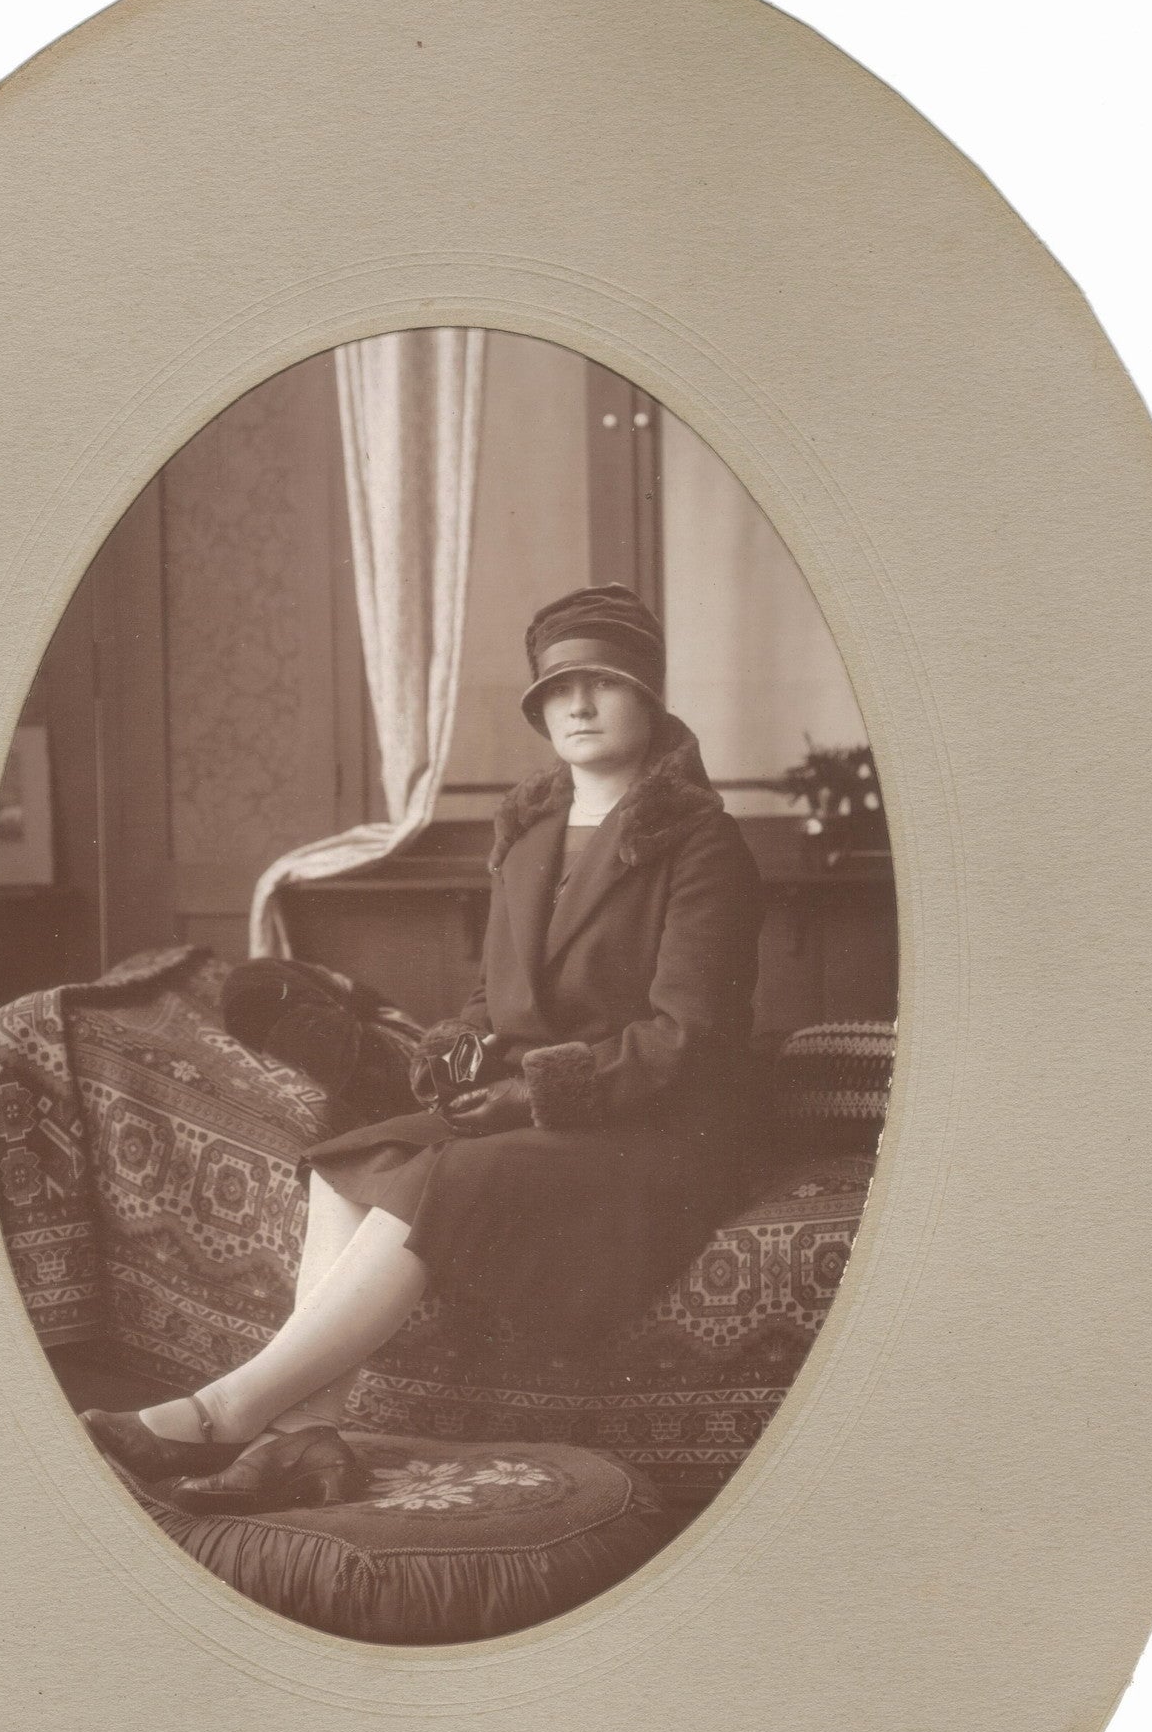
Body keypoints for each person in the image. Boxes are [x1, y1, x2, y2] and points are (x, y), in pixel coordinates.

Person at [82, 584, 764, 1511]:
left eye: (604, 682)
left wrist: (532, 1094)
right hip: (547, 1112)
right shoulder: (529, 830)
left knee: (440, 1177)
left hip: (654, 1131)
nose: (578, 704)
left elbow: (686, 1039)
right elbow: (496, 996)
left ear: (648, 692)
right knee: (345, 1164)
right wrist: (461, 1050)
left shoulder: (702, 842)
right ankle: (301, 1441)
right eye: (557, 688)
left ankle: (220, 1412)